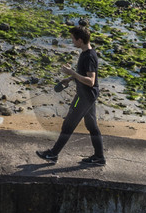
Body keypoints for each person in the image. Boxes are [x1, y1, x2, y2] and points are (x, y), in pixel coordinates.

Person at [36, 25, 106, 166]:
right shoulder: (85, 53)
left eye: (73, 39)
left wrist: (72, 73)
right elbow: (84, 74)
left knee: (68, 125)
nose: (72, 41)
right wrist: (69, 79)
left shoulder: (89, 57)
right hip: (88, 96)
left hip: (84, 97)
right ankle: (99, 157)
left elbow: (91, 81)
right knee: (92, 126)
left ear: (80, 40)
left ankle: (53, 154)